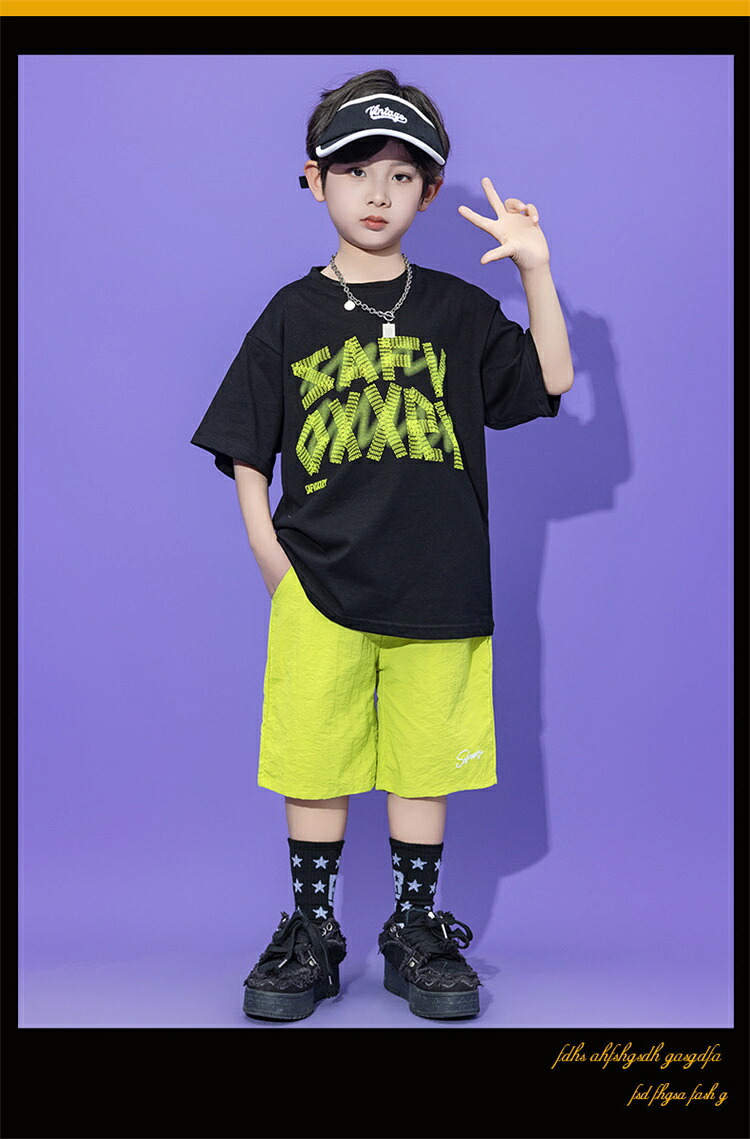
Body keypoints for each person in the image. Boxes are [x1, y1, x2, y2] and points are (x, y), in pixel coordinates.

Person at [191, 68, 574, 1023]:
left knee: (423, 764)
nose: (377, 192)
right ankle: (313, 932)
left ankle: (415, 929)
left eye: (402, 175)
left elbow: (551, 381)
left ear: (429, 193)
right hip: (317, 582)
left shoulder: (457, 310)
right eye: (356, 170)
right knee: (313, 761)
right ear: (313, 180)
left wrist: (536, 268)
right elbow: (246, 444)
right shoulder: (291, 313)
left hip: (441, 582)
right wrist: (269, 556)